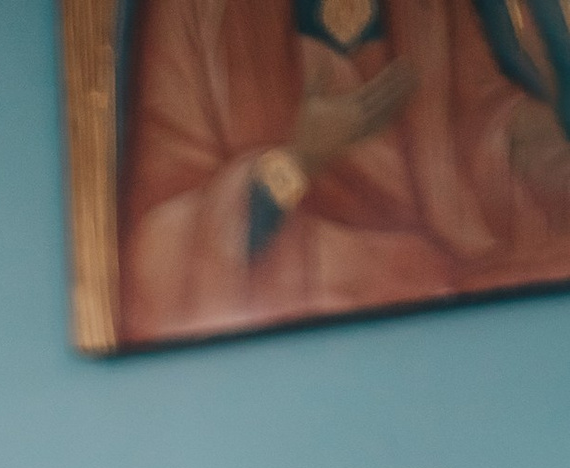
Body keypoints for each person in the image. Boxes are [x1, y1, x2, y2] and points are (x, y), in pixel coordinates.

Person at [121, 0, 570, 346]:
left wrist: (542, 150)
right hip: (303, 305)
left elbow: (481, 130)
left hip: (448, 308)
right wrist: (299, 161)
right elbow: (155, 252)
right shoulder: (192, 17)